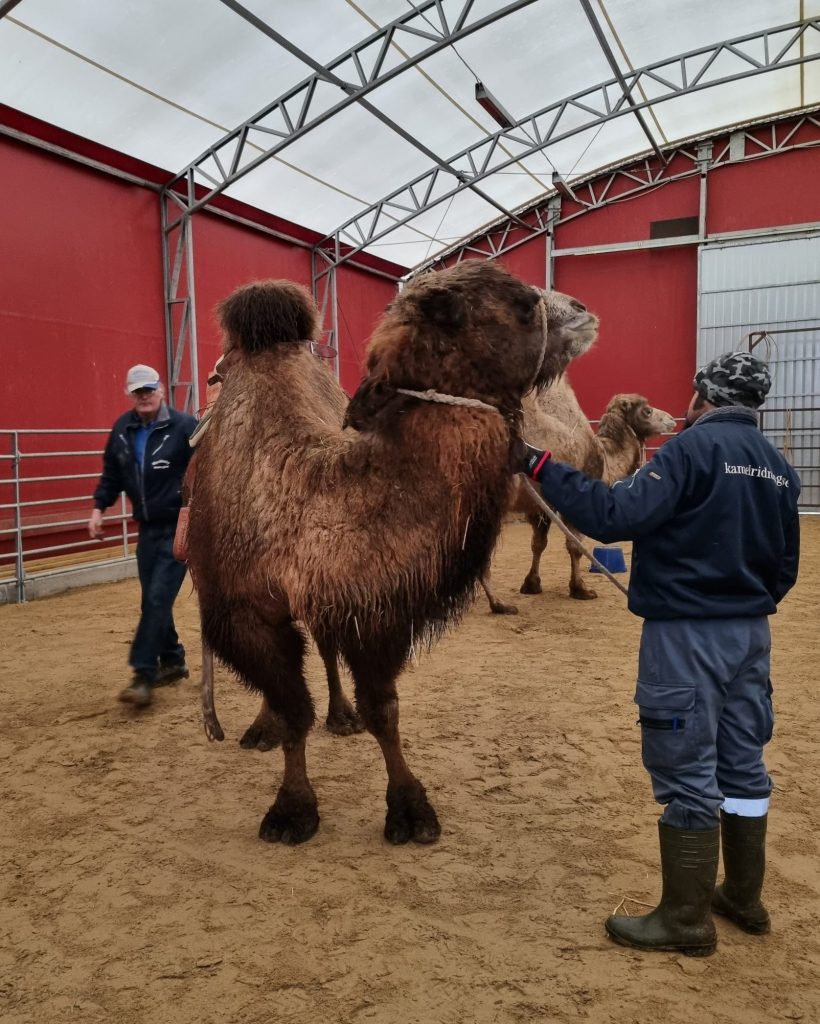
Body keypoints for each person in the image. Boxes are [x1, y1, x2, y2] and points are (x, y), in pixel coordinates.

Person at [520, 351, 800, 957]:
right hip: (750, 636)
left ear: (704, 396)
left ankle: (685, 919)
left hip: (687, 638)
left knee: (687, 765)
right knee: (743, 760)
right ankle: (743, 898)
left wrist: (538, 465)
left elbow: (614, 514)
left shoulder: (688, 452)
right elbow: (786, 568)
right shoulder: (779, 467)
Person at [88, 364, 197, 708]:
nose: (144, 396)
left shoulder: (183, 427)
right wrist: (98, 508)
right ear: (130, 395)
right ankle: (174, 660)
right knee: (153, 598)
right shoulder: (123, 429)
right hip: (147, 530)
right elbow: (112, 474)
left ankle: (143, 675)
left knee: (157, 598)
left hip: (177, 528)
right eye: (138, 392)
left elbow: (205, 471)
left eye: (149, 389)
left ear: (161, 389)